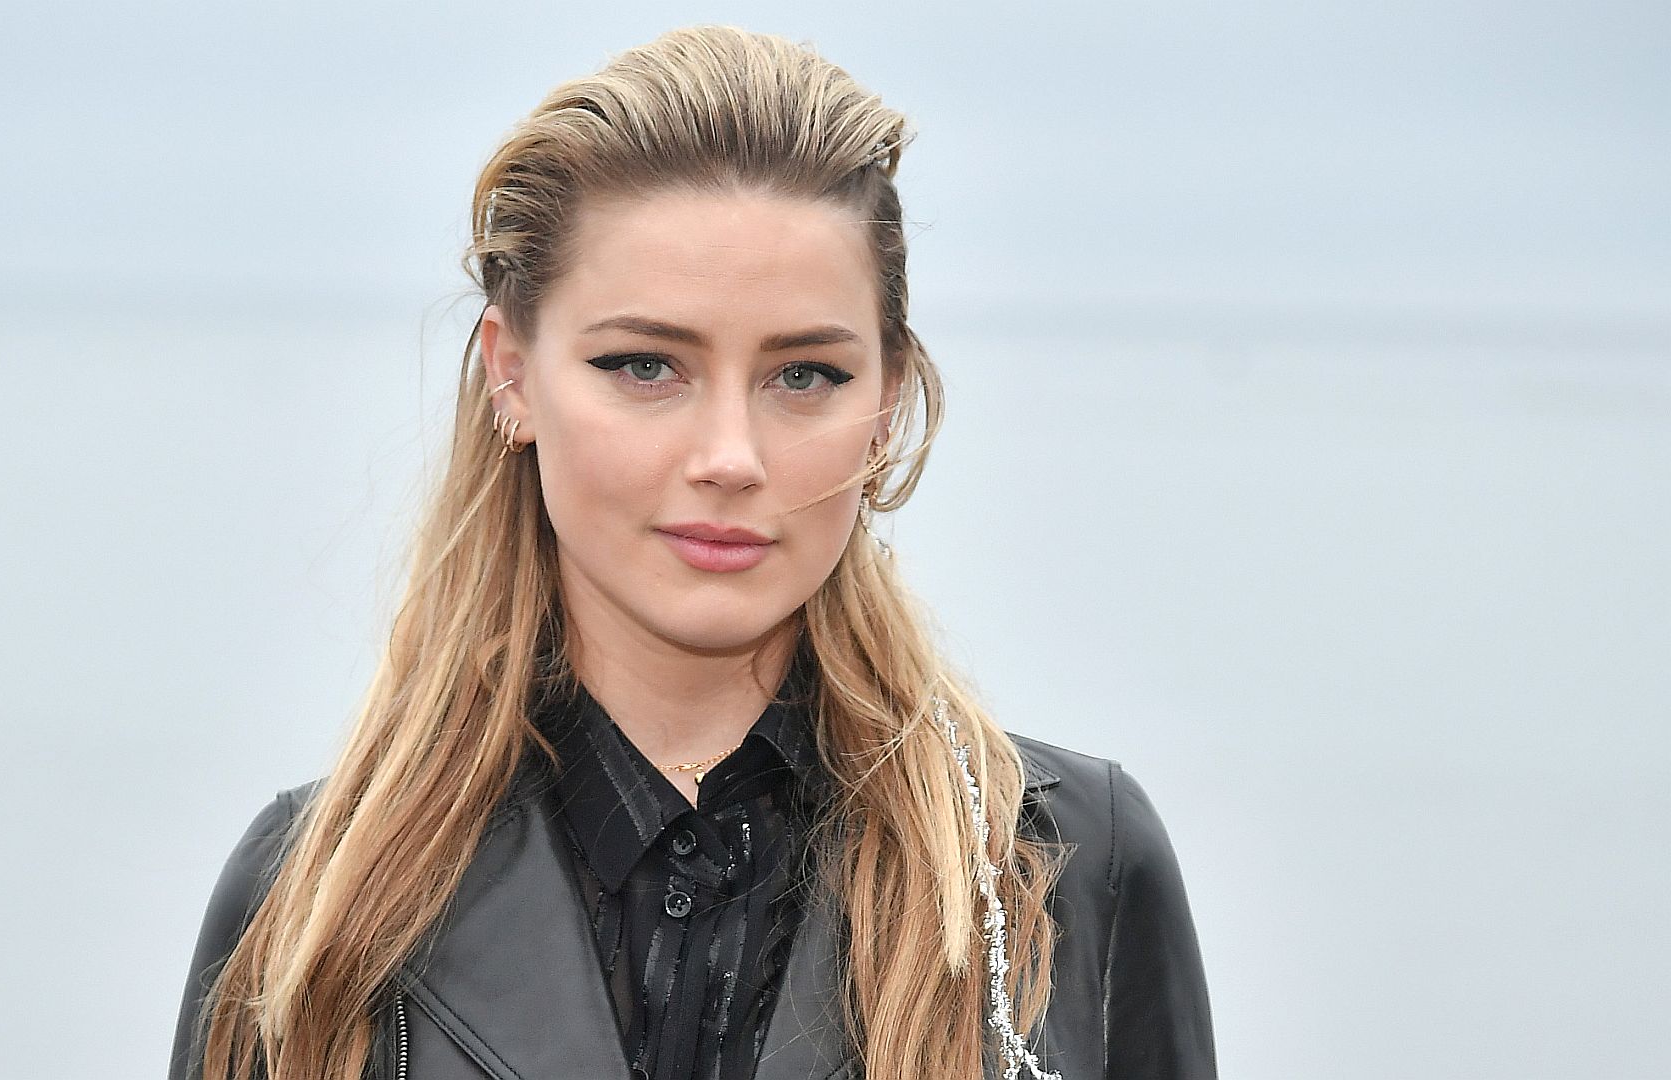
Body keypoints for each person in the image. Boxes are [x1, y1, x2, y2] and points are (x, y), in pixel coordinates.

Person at [169, 25, 1216, 1080]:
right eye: (644, 366)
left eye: (804, 375)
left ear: (887, 402)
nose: (729, 458)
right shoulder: (310, 900)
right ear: (511, 375)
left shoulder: (1071, 869)